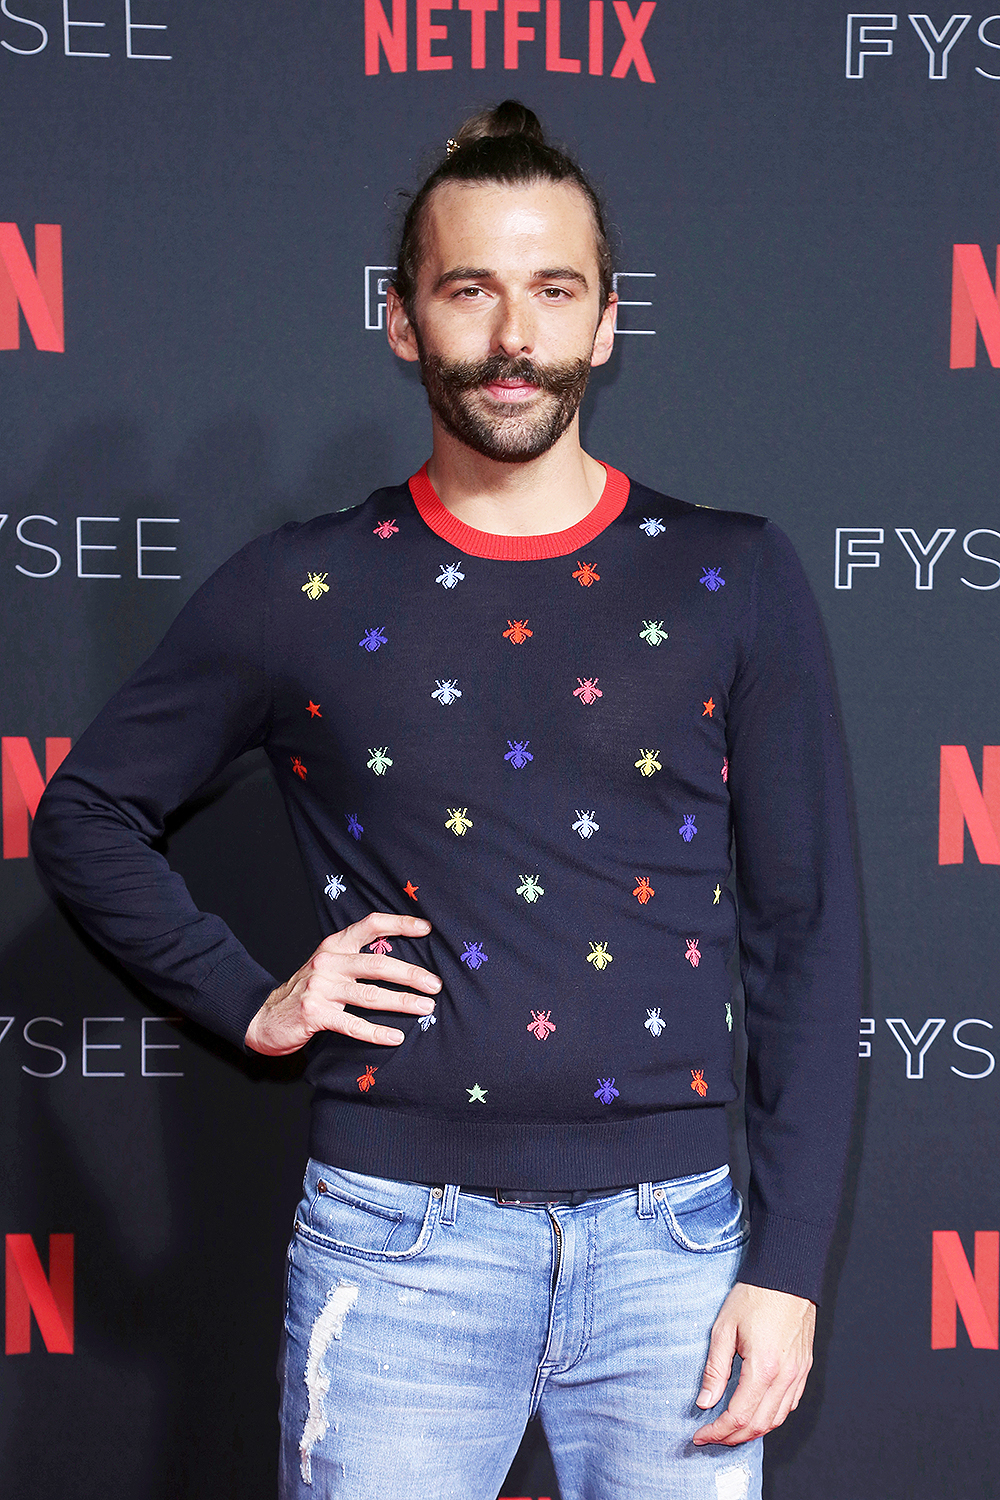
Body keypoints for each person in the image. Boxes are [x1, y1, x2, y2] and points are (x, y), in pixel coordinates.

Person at [32, 101, 861, 1500]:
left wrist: (785, 1269)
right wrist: (249, 999)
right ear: (406, 321)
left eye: (554, 291)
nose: (513, 335)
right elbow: (85, 816)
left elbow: (807, 934)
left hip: (674, 1263)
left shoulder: (734, 577)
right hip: (396, 1246)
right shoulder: (304, 587)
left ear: (606, 323)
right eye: (469, 288)